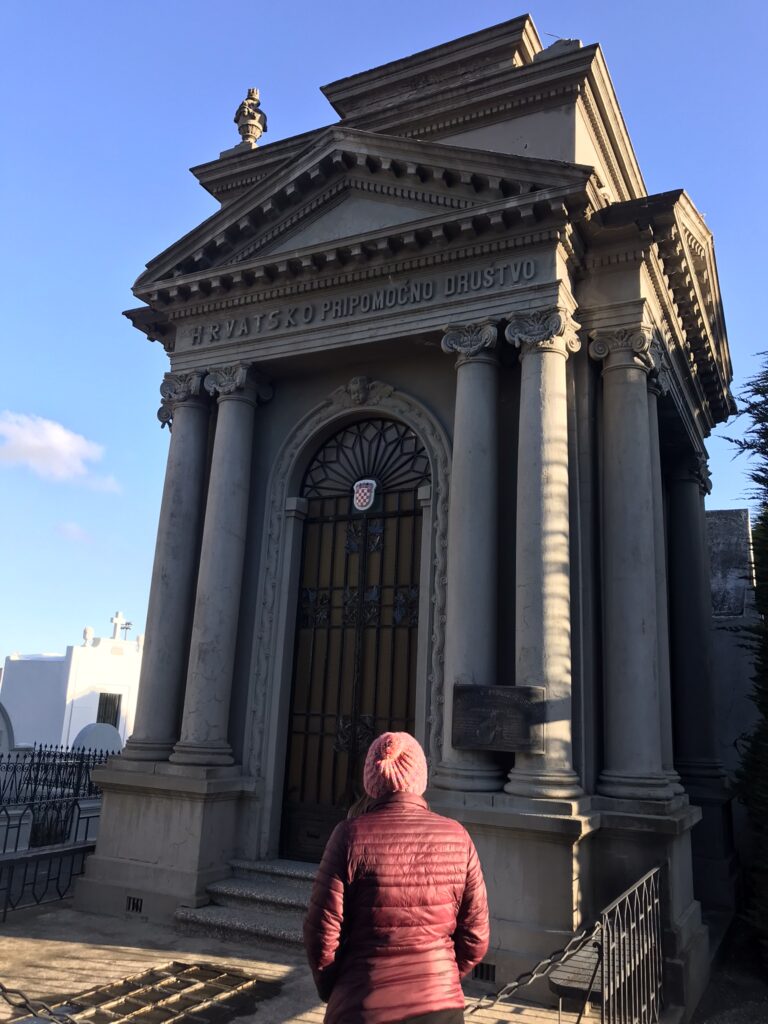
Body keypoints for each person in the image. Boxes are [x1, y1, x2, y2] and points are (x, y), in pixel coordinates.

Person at [303, 731, 490, 1024]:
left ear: (372, 781)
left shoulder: (349, 835)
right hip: (439, 1008)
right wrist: (444, 977)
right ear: (419, 778)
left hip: (361, 1004)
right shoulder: (457, 837)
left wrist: (335, 988)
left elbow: (321, 933)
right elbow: (476, 936)